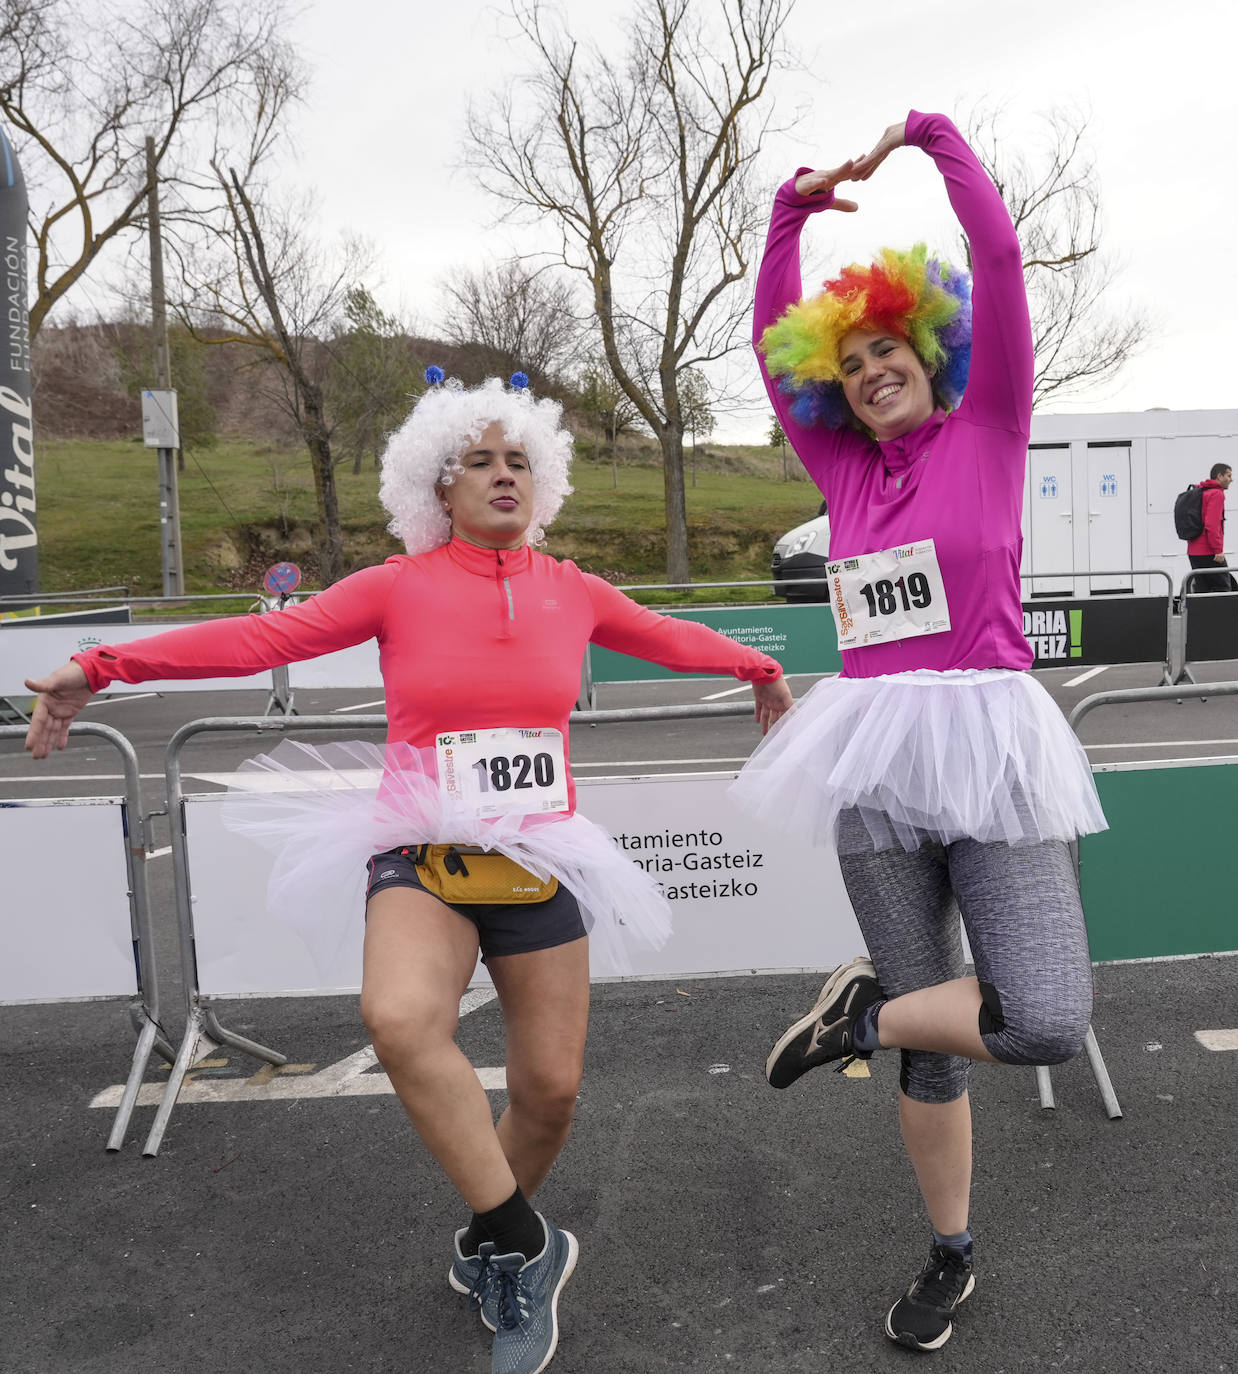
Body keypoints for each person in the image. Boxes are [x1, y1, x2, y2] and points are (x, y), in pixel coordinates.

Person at [24, 372, 793, 1374]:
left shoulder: (574, 590)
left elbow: (669, 636)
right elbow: (258, 637)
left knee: (550, 1091)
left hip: (538, 850)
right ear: (439, 486)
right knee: (395, 1020)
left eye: (518, 459)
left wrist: (757, 668)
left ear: (542, 478)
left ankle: (487, 1242)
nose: (502, 474)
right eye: (479, 460)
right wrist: (104, 666)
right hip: (419, 846)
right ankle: (527, 1245)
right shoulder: (398, 585)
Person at [732, 112, 1108, 1352]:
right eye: (848, 363)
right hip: (875, 770)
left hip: (992, 755)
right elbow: (760, 324)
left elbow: (997, 268)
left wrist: (930, 141)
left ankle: (859, 1016)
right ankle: (947, 1253)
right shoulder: (838, 473)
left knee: (1040, 1016)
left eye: (888, 348)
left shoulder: (990, 428)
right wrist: (792, 207)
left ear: (928, 353)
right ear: (827, 383)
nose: (870, 370)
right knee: (937, 1053)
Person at [1186, 463, 1236, 592]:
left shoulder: (1201, 491)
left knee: (1202, 590)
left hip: (1194, 551)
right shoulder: (1216, 494)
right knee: (1223, 589)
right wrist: (1217, 550)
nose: (1232, 479)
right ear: (1219, 476)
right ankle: (1221, 613)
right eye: (1229, 475)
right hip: (1209, 552)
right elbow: (1212, 525)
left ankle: (1201, 613)